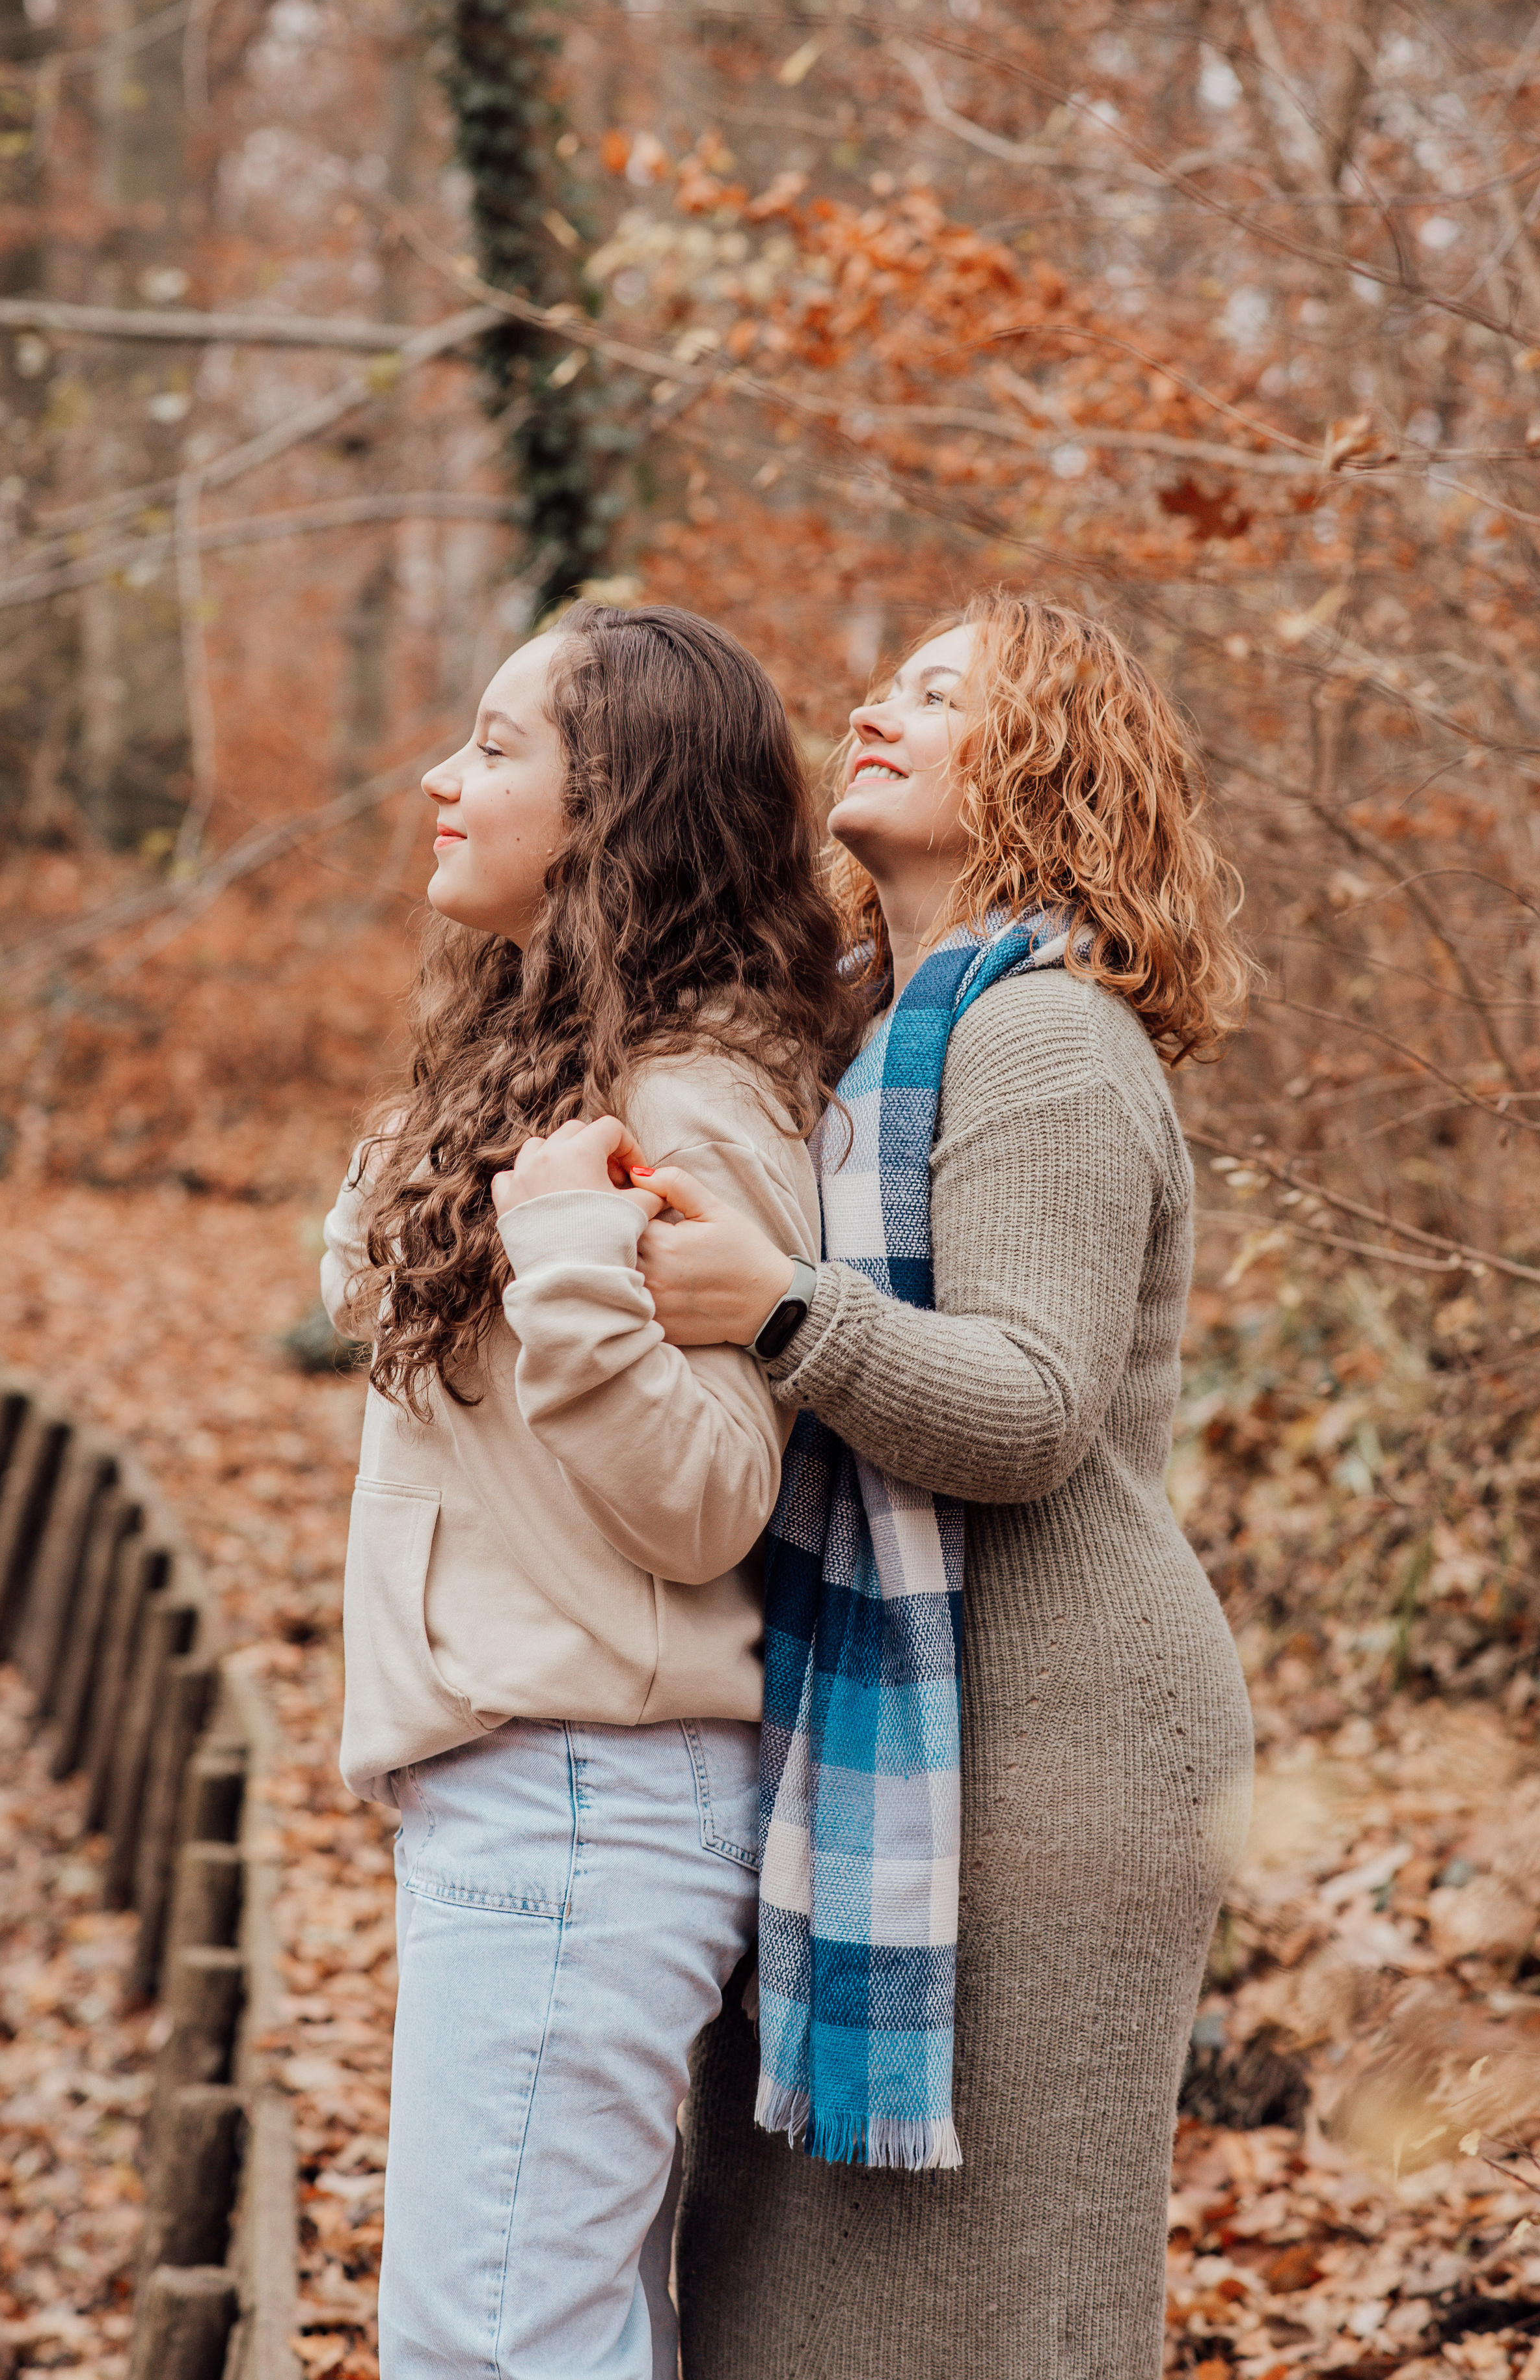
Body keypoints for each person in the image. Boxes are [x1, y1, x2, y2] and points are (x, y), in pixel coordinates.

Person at [628, 591, 1258, 2379]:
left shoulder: (1044, 1033)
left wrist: (781, 1309)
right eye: (885, 680)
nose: (875, 708)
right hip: (904, 1718)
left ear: (1047, 763)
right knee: (784, 2292)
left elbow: (1034, 1410)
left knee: (1001, 2307)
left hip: (1063, 1747)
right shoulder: (867, 1033)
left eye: (939, 693)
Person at [318, 602, 865, 2380]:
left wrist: (563, 1254)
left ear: (613, 809)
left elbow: (710, 1496)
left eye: (496, 747)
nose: (440, 776)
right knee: (524, 2336)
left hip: (587, 1792)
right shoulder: (561, 1067)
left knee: (493, 2347)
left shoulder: (694, 1102)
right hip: (535, 1786)